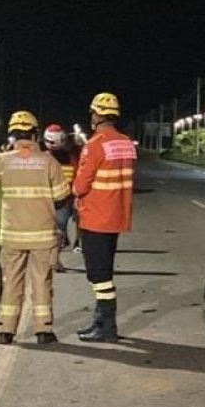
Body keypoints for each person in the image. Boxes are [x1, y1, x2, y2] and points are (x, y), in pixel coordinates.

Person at [0, 110, 70, 345]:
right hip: (42, 234)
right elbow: (63, 196)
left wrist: (3, 151)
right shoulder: (48, 161)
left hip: (12, 234)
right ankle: (43, 330)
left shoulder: (4, 160)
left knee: (11, 280)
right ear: (35, 134)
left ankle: (6, 331)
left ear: (11, 134)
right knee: (42, 280)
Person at [72, 92, 136, 342]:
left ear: (97, 116)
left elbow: (81, 184)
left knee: (98, 275)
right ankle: (101, 323)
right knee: (104, 270)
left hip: (95, 217)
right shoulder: (126, 143)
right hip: (116, 216)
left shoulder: (95, 144)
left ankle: (106, 326)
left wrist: (74, 191)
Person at [42, 123, 81, 271]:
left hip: (44, 198)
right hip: (64, 198)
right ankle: (54, 260)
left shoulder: (42, 157)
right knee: (59, 230)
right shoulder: (72, 155)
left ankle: (45, 260)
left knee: (46, 231)